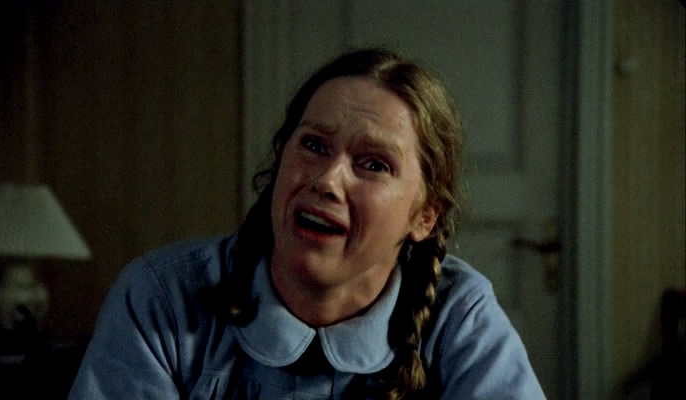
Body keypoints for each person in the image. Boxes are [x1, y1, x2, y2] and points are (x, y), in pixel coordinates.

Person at [69, 48, 545, 399]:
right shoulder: (161, 298)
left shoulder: (459, 315)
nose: (327, 180)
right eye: (314, 145)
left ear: (424, 216)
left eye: (374, 164)